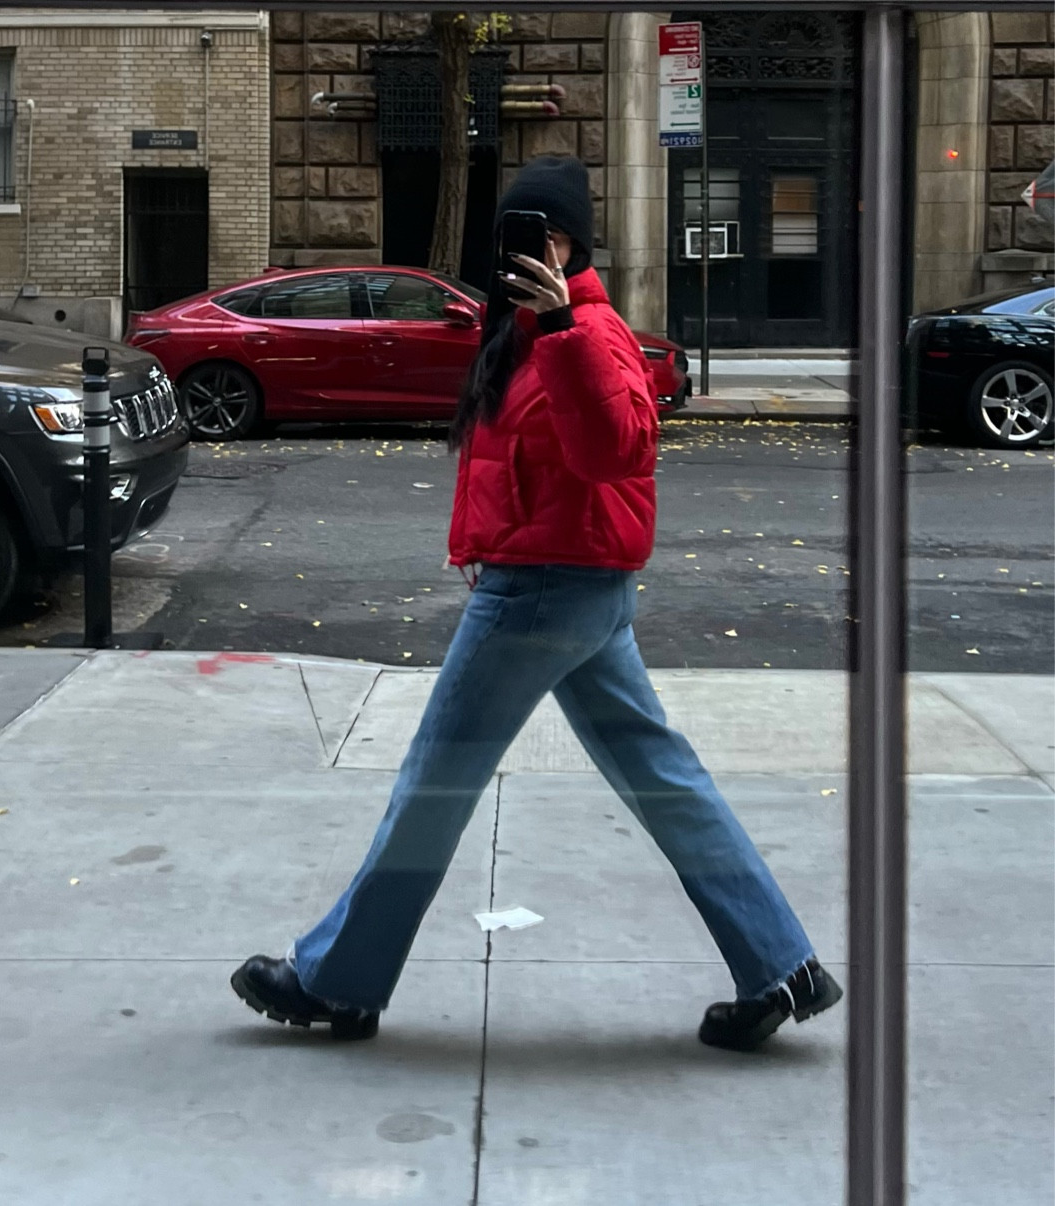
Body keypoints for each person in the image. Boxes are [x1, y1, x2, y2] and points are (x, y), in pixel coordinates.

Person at [232, 156, 842, 1051]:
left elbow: (618, 451)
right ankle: (784, 966)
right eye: (519, 234)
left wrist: (560, 327)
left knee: (433, 783)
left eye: (549, 234)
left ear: (573, 245)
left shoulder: (586, 332)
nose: (533, 249)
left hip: (545, 589)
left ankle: (339, 979)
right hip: (570, 586)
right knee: (662, 777)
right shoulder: (518, 332)